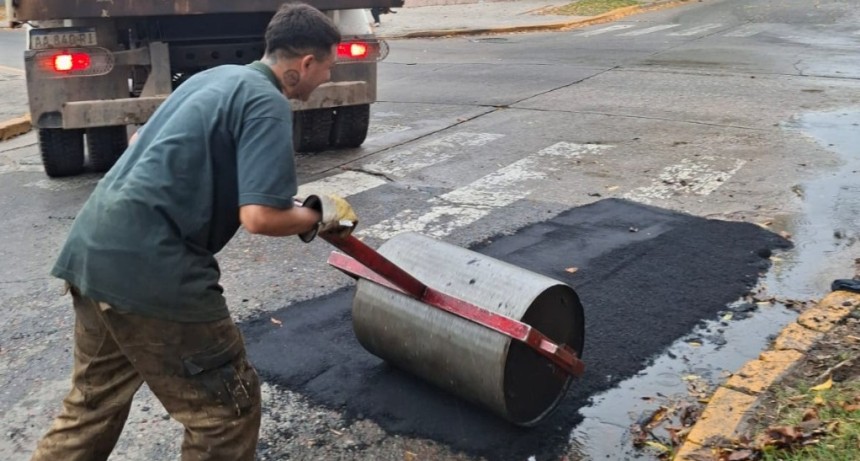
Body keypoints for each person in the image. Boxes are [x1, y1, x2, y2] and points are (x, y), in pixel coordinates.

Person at [30, 3, 357, 461]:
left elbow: (139, 142)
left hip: (93, 251)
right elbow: (260, 217)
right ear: (304, 64)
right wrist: (319, 216)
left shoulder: (216, 78)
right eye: (327, 67)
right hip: (154, 271)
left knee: (92, 405)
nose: (327, 77)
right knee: (226, 413)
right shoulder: (267, 102)